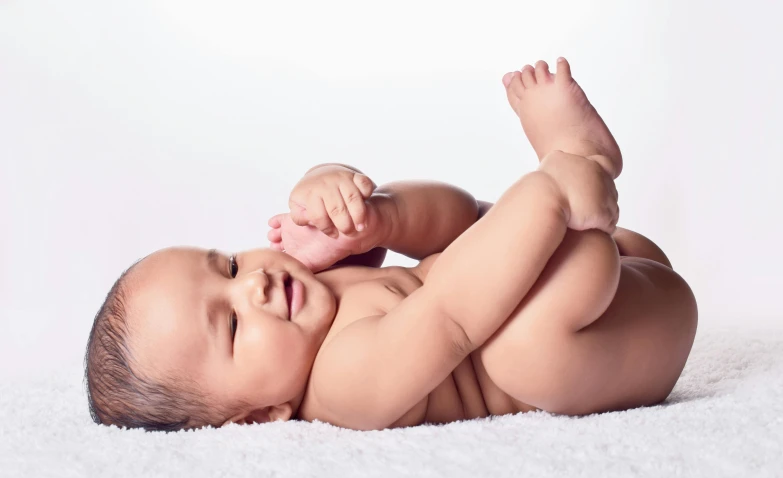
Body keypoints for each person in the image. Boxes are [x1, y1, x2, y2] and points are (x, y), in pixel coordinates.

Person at [84, 57, 698, 432]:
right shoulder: (342, 385)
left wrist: (368, 216)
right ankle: (571, 168)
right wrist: (544, 201)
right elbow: (450, 316)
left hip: (613, 264)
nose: (254, 285)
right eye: (233, 325)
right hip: (618, 333)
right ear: (257, 416)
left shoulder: (315, 289)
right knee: (516, 349)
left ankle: (567, 175)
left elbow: (452, 227)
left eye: (229, 265)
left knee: (443, 232)